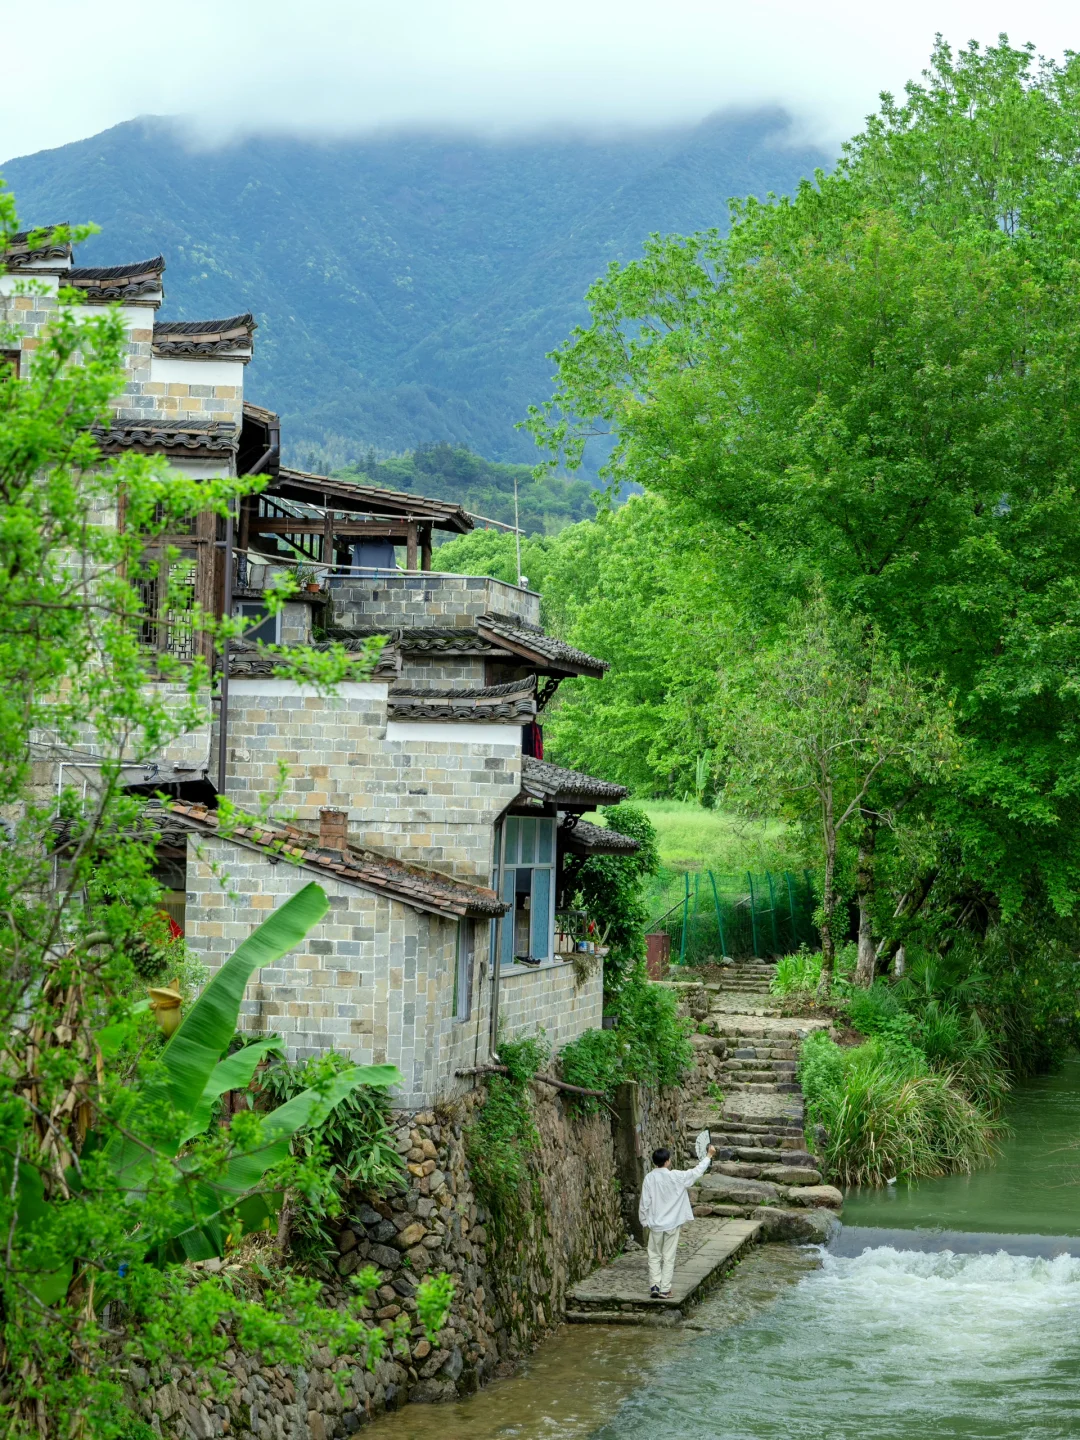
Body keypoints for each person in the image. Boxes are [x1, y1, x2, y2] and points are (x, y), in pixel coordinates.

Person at [638, 1143, 716, 1298]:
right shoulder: (676, 1177)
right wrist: (709, 1156)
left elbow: (644, 1202)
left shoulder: (649, 1178)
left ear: (655, 1162)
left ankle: (654, 1285)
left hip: (655, 1224)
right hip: (672, 1224)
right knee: (668, 1257)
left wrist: (644, 1221)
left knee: (654, 1255)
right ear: (667, 1161)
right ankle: (665, 1289)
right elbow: (696, 1172)